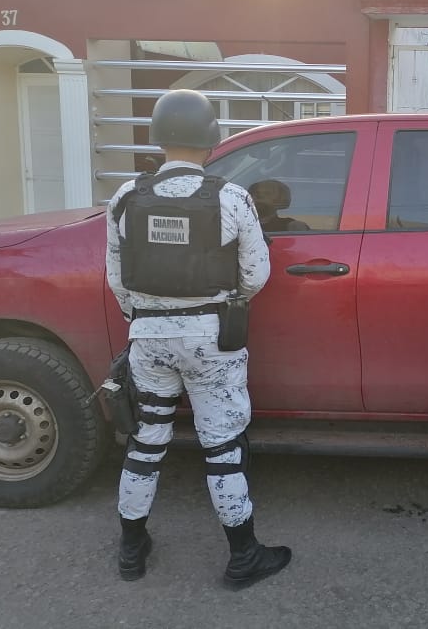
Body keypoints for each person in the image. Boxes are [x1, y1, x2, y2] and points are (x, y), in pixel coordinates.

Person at [105, 89, 291, 588]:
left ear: (158, 138)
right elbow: (256, 275)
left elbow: (118, 280)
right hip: (212, 339)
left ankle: (130, 551)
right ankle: (244, 556)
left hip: (148, 337)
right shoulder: (232, 197)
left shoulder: (125, 198)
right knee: (222, 446)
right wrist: (222, 302)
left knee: (145, 442)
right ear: (211, 141)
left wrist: (146, 318)